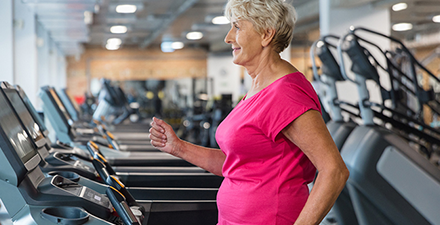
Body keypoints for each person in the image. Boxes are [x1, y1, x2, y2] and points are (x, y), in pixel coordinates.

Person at [149, 0, 349, 224]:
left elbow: (334, 171)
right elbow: (236, 163)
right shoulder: (257, 89)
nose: (228, 37)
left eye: (237, 27)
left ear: (266, 34)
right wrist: (179, 147)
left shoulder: (285, 93)